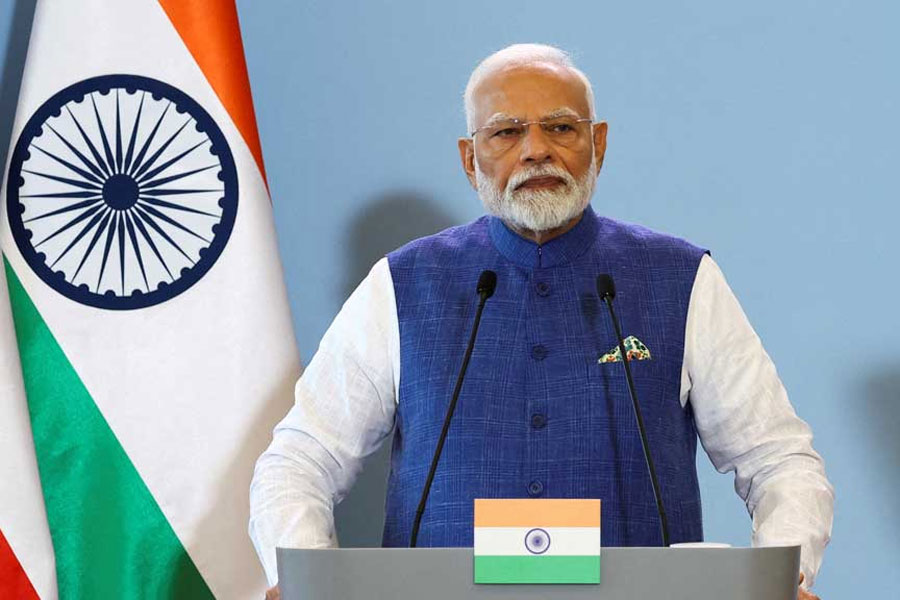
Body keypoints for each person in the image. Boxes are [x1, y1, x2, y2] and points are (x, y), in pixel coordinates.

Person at [249, 44, 833, 600]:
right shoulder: (402, 284)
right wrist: (305, 579)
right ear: (468, 156)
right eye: (506, 131)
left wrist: (779, 579)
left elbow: (777, 459)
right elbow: (301, 459)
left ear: (597, 144)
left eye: (560, 127)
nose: (536, 150)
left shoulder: (681, 278)